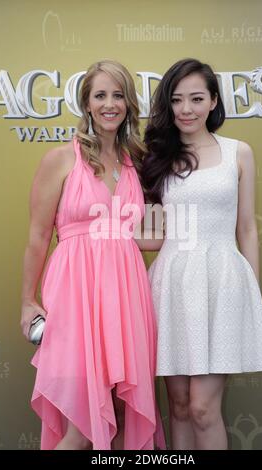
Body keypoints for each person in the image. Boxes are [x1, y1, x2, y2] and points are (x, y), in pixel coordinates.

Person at [20, 59, 165, 450]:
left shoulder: (136, 163)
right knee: (82, 425)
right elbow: (38, 235)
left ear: (129, 104)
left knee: (120, 413)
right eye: (100, 95)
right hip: (75, 294)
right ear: (86, 103)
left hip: (126, 294)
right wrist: (27, 301)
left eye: (118, 95)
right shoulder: (62, 159)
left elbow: (143, 236)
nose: (109, 104)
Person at [141, 58, 262, 450]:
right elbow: (151, 233)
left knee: (202, 408)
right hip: (172, 285)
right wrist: (101, 234)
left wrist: (253, 294)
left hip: (223, 283)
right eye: (177, 100)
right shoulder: (156, 159)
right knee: (179, 406)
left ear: (214, 101)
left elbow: (246, 228)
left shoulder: (239, 153)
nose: (186, 109)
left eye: (196, 98)